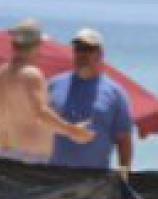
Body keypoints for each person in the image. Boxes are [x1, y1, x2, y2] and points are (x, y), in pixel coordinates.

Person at [0, 19, 94, 162]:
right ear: (37, 45)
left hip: (7, 152)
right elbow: (40, 112)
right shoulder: (31, 74)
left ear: (13, 44)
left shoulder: (3, 72)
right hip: (29, 157)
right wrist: (72, 131)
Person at [48, 28, 134, 176]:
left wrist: (124, 174)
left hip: (94, 181)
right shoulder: (54, 85)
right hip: (54, 178)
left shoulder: (115, 94)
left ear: (100, 54)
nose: (82, 54)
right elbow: (38, 124)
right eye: (78, 49)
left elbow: (124, 139)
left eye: (88, 49)